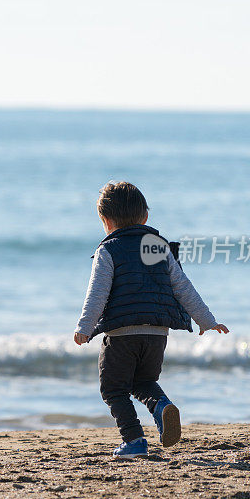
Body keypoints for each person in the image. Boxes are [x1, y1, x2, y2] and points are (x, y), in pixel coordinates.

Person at [74, 181, 229, 459]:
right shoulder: (159, 248)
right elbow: (183, 286)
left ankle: (134, 440)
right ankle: (162, 406)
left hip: (122, 335)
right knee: (143, 380)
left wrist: (85, 327)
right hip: (158, 333)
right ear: (145, 217)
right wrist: (206, 320)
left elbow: (97, 292)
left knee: (113, 388)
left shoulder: (108, 250)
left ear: (105, 220)